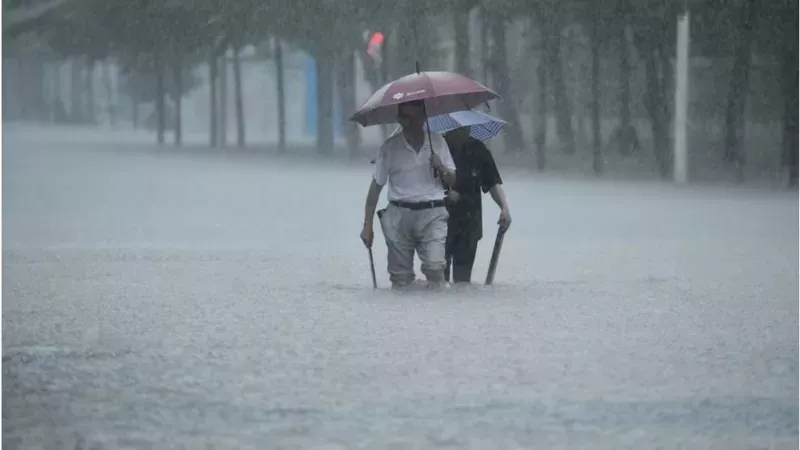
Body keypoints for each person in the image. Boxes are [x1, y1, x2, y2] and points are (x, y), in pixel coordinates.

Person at [360, 100, 457, 289]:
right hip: (398, 215)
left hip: (433, 213)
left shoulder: (437, 141)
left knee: (436, 268)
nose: (408, 123)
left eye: (413, 118)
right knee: (400, 279)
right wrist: (367, 225)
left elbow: (453, 180)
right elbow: (375, 188)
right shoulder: (390, 147)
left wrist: (441, 167)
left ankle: (436, 314)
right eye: (404, 118)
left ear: (423, 117)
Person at [442, 126, 511, 284]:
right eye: (461, 127)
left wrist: (504, 208)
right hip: (440, 222)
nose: (466, 130)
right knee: (439, 280)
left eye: (468, 127)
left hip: (469, 221)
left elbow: (493, 183)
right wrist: (445, 195)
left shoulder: (478, 150)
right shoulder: (438, 147)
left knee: (463, 282)